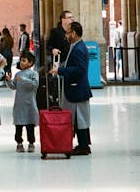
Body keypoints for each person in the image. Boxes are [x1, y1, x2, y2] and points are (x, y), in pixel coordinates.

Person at [49, 21, 92, 156]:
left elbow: (79, 69)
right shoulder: (75, 46)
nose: (66, 35)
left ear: (73, 33)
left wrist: (61, 70)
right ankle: (83, 144)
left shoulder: (79, 48)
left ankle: (84, 146)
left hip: (77, 89)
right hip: (75, 89)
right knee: (78, 118)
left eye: (68, 32)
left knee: (80, 119)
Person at [7, 50, 39, 153]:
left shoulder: (34, 74)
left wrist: (25, 79)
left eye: (24, 61)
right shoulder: (18, 74)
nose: (21, 62)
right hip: (19, 105)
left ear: (30, 63)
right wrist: (8, 80)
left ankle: (31, 143)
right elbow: (13, 86)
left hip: (30, 104)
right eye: (21, 60)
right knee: (19, 126)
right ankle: (19, 143)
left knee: (30, 126)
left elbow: (35, 84)